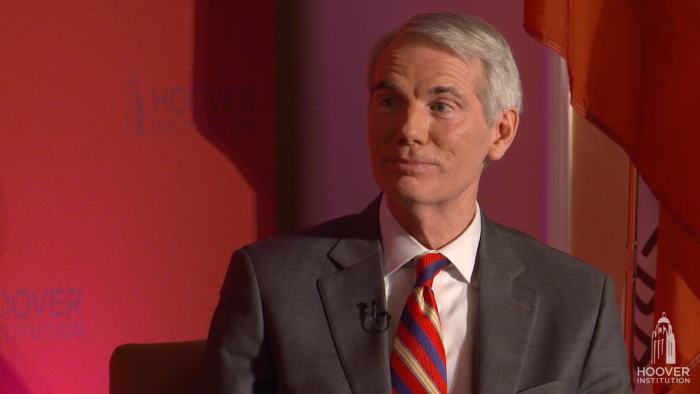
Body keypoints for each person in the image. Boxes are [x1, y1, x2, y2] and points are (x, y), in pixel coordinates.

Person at [194, 12, 632, 394]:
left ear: (500, 133)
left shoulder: (578, 301)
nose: (408, 129)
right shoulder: (273, 284)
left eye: (440, 106)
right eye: (389, 101)